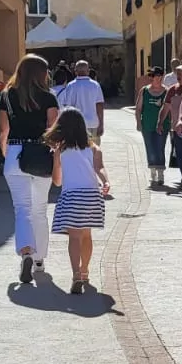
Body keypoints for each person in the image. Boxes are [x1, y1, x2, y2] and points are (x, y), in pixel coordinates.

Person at [0, 54, 59, 285]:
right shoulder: (48, 96)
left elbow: (3, 130)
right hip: (41, 154)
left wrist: (6, 154)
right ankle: (39, 259)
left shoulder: (7, 95)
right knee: (39, 209)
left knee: (22, 209)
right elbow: (53, 128)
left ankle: (26, 252)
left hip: (15, 152)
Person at [47, 106, 109, 294]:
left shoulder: (60, 151)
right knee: (87, 235)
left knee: (74, 237)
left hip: (72, 196)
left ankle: (75, 275)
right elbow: (99, 168)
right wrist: (106, 181)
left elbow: (57, 181)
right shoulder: (93, 148)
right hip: (91, 196)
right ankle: (85, 271)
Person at [137, 66, 170, 186]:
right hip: (147, 124)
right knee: (150, 147)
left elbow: (170, 108)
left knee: (160, 147)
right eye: (153, 76)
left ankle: (160, 173)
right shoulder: (144, 91)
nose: (155, 78)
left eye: (157, 76)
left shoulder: (167, 91)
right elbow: (139, 108)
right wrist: (138, 122)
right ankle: (152, 172)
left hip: (163, 125)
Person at [56, 60, 106, 135]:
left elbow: (67, 107)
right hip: (92, 124)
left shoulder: (71, 86)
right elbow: (99, 105)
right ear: (88, 71)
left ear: (75, 72)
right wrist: (101, 124)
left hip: (76, 125)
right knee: (93, 143)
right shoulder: (95, 85)